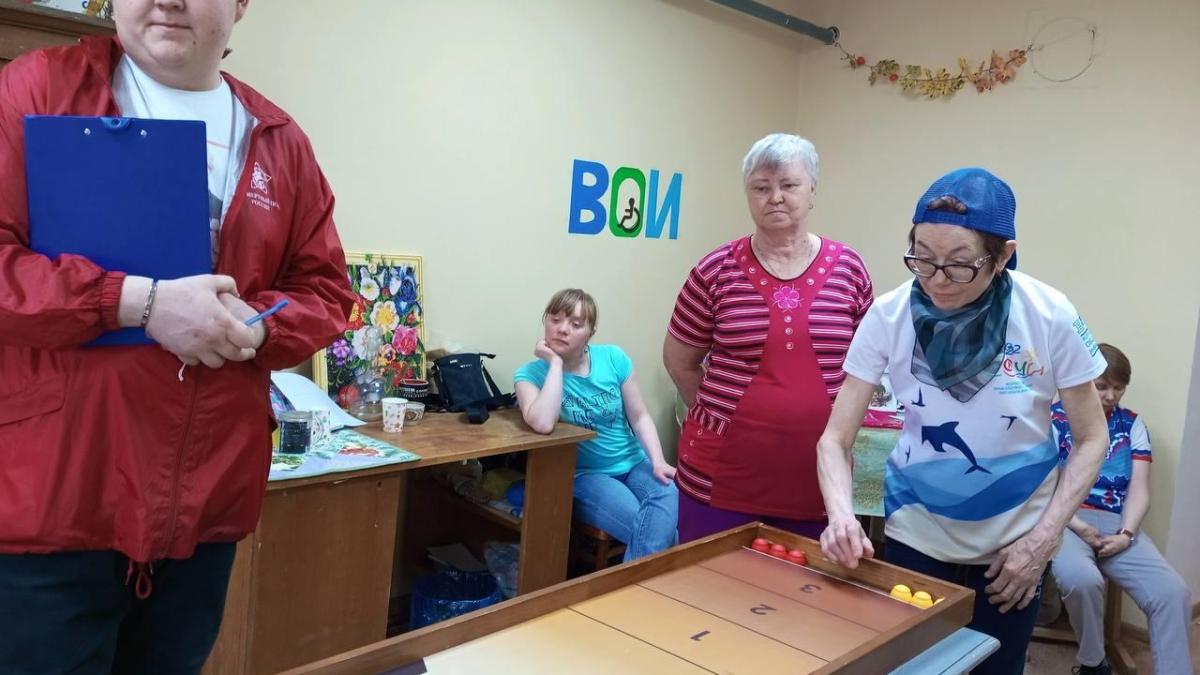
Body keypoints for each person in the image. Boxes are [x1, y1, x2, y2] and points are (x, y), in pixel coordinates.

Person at [0, 1, 355, 672]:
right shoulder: (37, 89)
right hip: (54, 509)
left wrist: (252, 326)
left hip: (200, 513)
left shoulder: (279, 141)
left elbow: (328, 291)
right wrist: (137, 303)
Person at [816, 167, 1110, 675]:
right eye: (922, 258)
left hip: (1015, 547)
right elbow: (835, 439)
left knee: (997, 666)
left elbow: (1092, 438)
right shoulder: (888, 316)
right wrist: (841, 516)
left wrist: (1042, 542)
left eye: (958, 264)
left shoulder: (1049, 314)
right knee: (912, 667)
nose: (936, 280)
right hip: (917, 534)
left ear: (1003, 255)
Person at [663, 133, 873, 542]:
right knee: (711, 580)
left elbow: (864, 368)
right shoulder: (713, 270)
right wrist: (723, 420)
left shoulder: (850, 269)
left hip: (818, 482)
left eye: (789, 185)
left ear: (812, 190)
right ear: (747, 194)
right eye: (761, 187)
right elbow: (679, 362)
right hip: (719, 479)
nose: (775, 197)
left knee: (806, 581)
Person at [1050, 343, 1193, 675]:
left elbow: (1140, 488)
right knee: (1081, 579)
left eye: (1119, 388)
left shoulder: (1132, 424)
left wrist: (1127, 534)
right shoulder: (1054, 419)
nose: (1111, 396)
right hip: (1065, 520)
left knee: (1173, 592)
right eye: (1102, 386)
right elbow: (1045, 488)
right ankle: (1093, 663)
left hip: (1116, 522)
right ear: (1083, 379)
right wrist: (1078, 525)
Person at [515, 288, 678, 562]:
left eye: (576, 324)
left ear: (590, 332)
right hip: (587, 475)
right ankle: (649, 586)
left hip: (634, 462)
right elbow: (542, 423)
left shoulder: (613, 358)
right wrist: (555, 364)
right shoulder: (530, 374)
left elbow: (639, 416)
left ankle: (638, 586)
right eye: (555, 319)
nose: (562, 329)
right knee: (654, 530)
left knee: (668, 492)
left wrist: (658, 461)